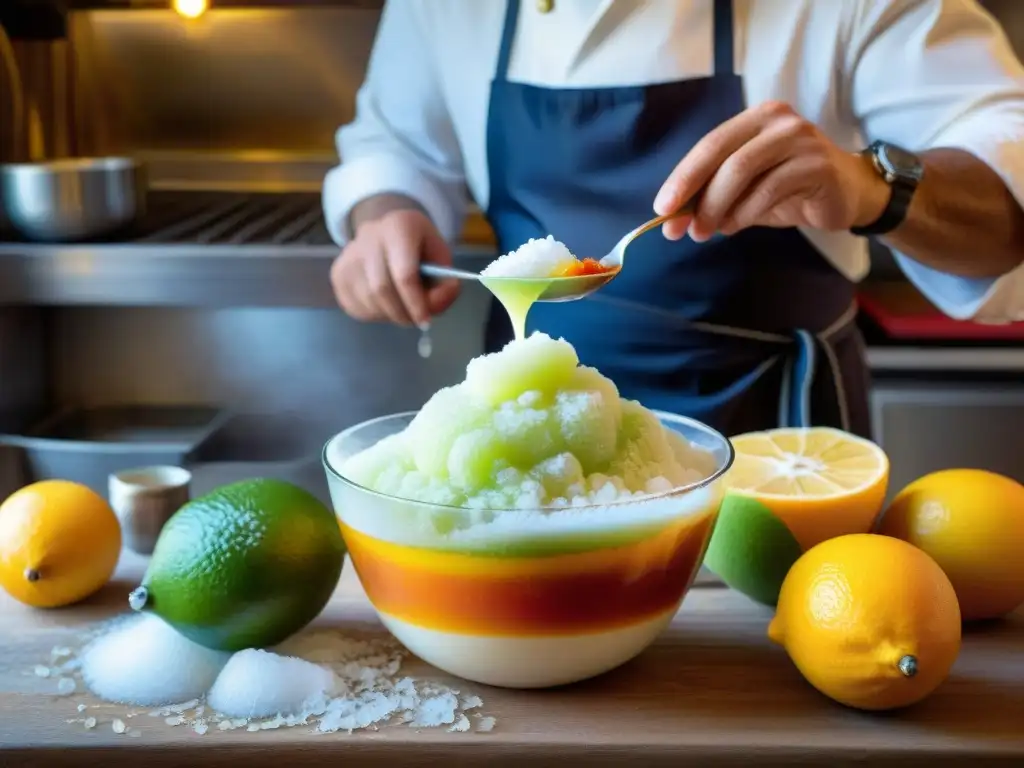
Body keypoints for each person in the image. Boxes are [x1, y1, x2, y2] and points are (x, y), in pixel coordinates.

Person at [323, 0, 1024, 439]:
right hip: (530, 431)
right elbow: (393, 146)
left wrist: (871, 184)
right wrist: (386, 212)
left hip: (769, 434)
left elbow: (1006, 186)